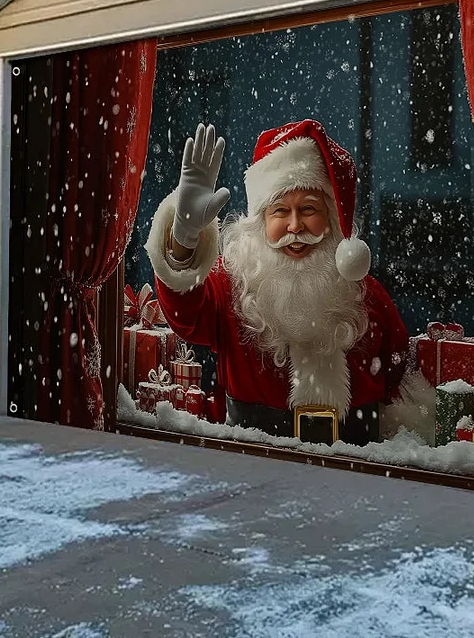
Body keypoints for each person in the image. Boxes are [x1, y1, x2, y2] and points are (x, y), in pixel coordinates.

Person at [146, 119, 409, 445]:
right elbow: (185, 316)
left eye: (309, 209)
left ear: (330, 217)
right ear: (261, 220)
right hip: (253, 466)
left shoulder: (368, 296)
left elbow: (402, 379)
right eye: (280, 211)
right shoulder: (234, 287)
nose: (295, 225)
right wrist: (184, 238)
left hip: (356, 472)